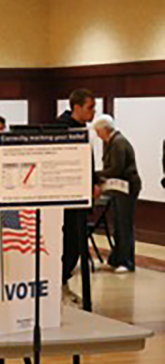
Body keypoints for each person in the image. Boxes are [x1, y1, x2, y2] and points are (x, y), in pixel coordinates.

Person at [56, 88, 100, 307]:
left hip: (79, 196)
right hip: (66, 198)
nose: (94, 112)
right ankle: (58, 286)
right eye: (90, 107)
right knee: (68, 244)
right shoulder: (61, 128)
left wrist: (92, 182)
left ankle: (63, 284)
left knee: (76, 244)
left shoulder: (81, 128)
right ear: (76, 107)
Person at [93, 115, 142, 273]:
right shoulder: (112, 142)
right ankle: (116, 259)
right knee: (118, 226)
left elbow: (116, 169)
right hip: (118, 189)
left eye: (98, 131)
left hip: (126, 189)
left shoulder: (118, 143)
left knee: (124, 226)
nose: (98, 135)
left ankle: (127, 262)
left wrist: (94, 175)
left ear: (105, 129)